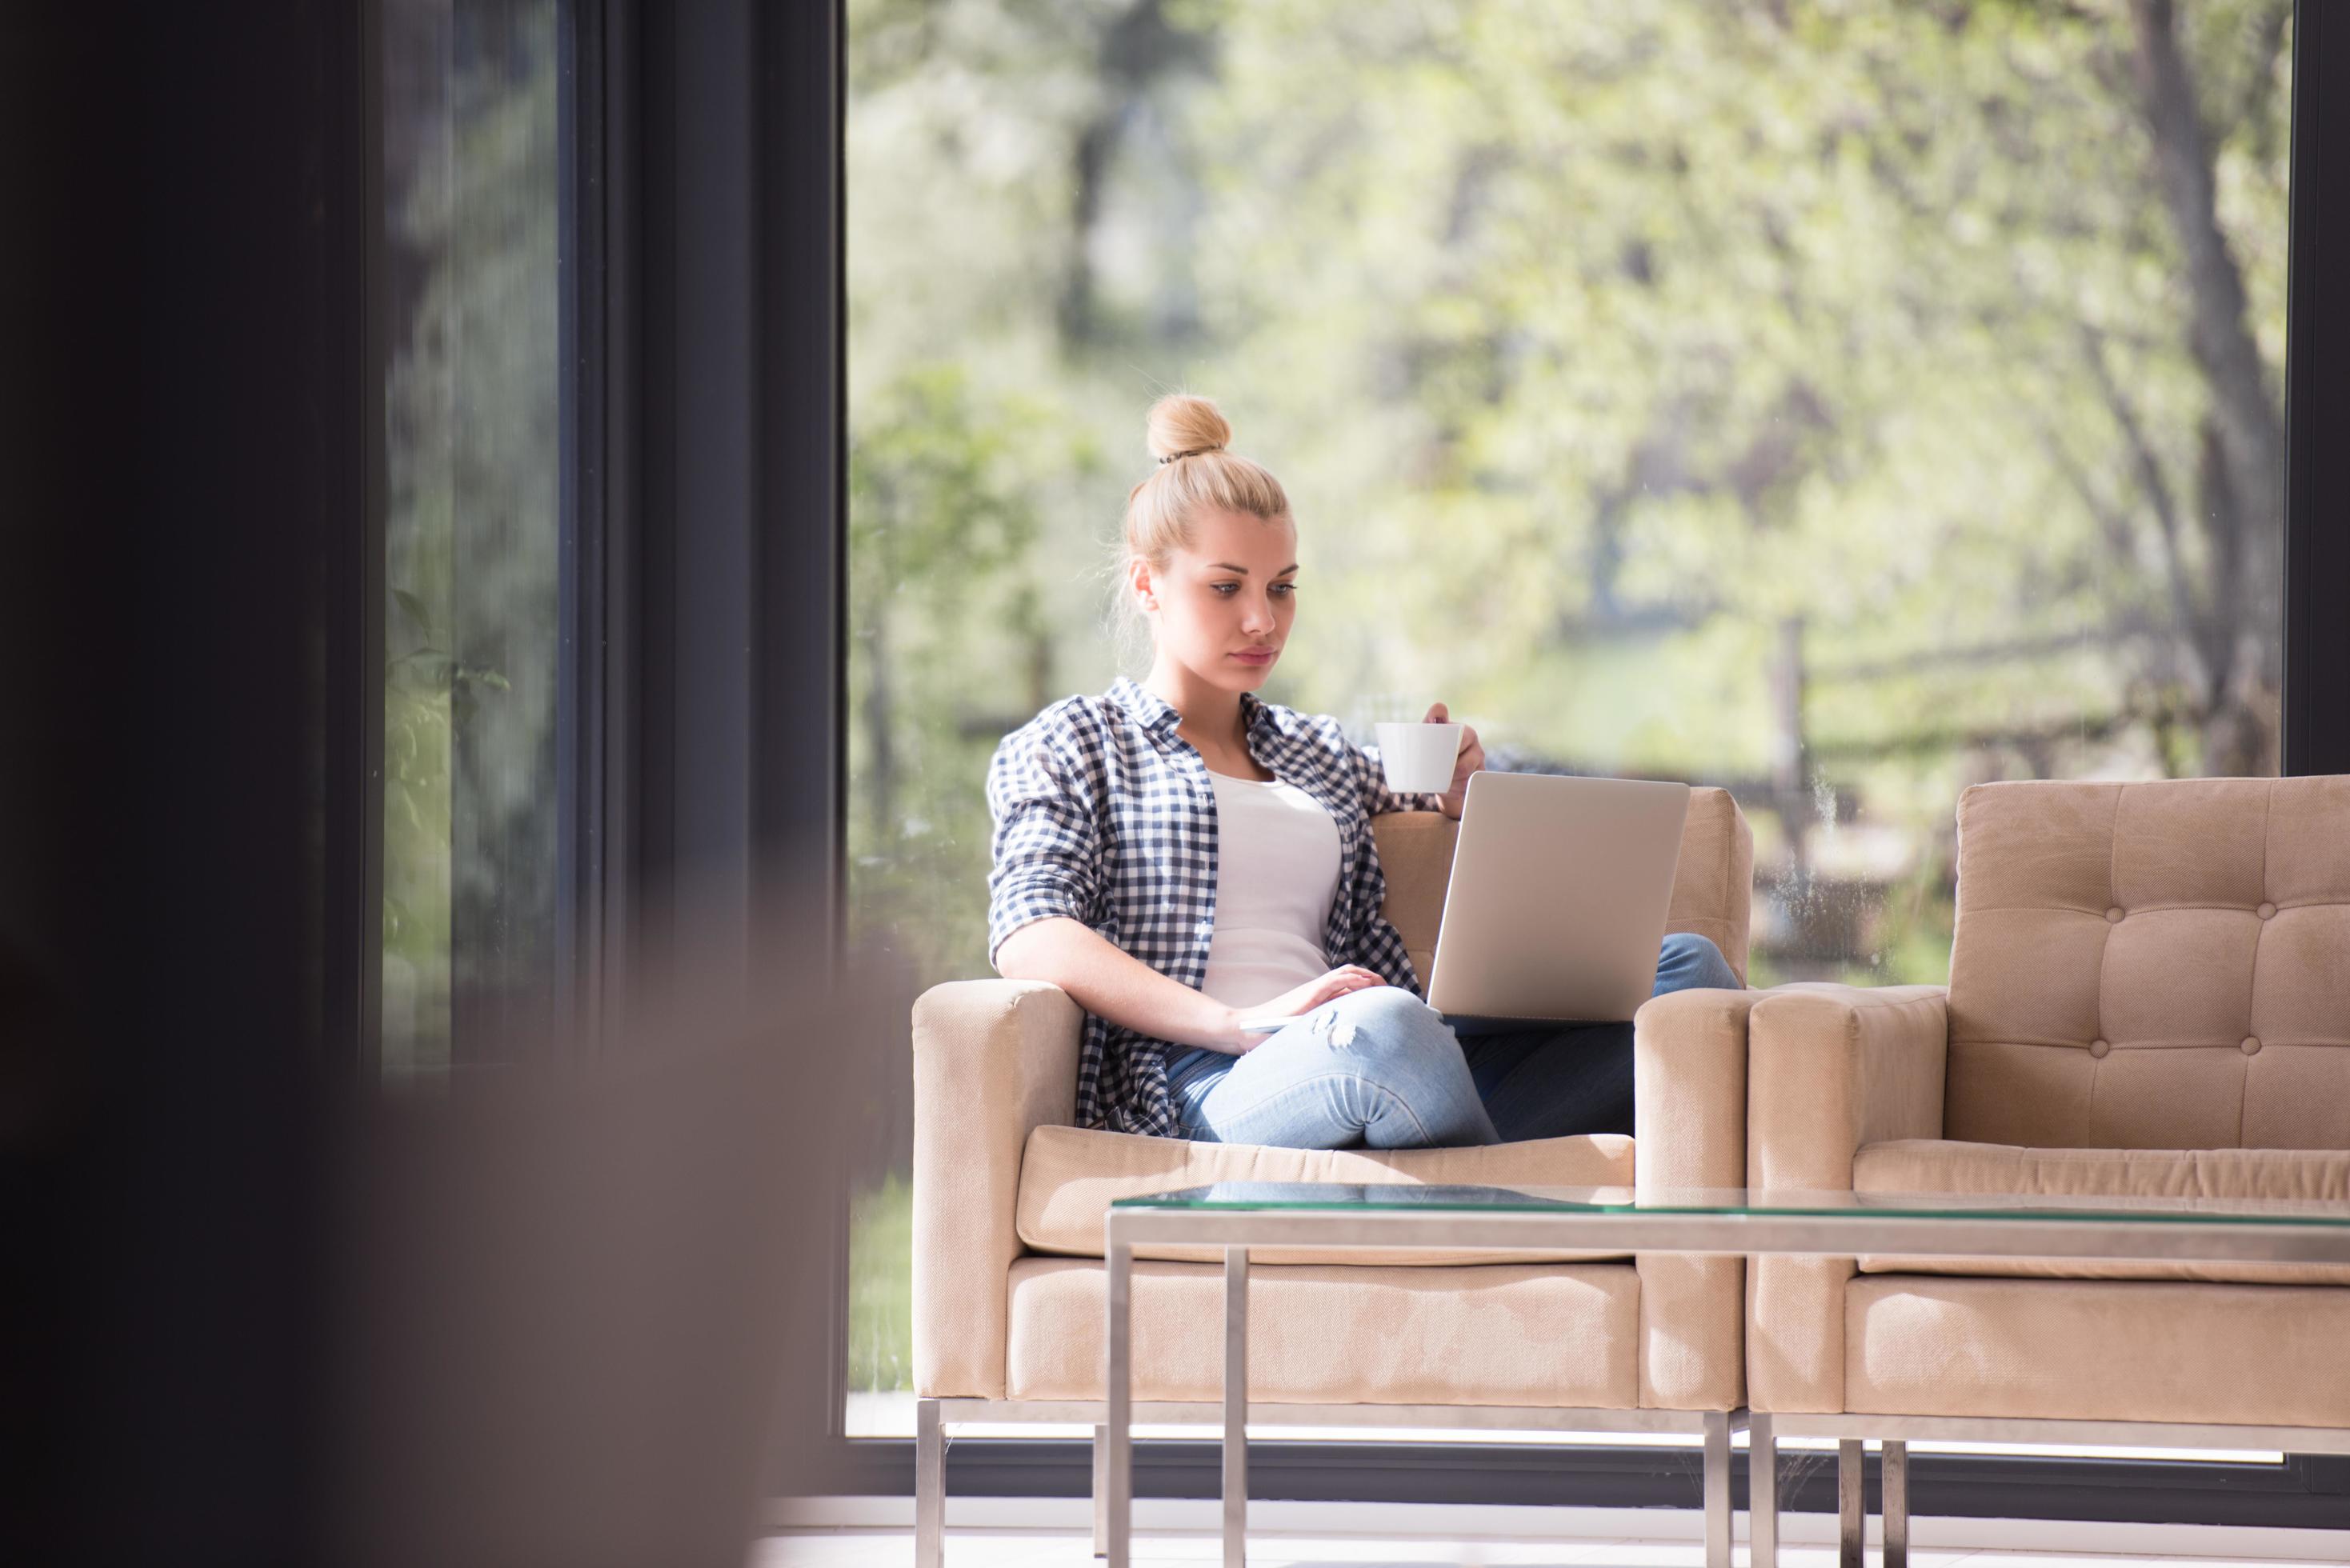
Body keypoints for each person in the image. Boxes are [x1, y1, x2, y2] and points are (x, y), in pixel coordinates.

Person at [985, 393, 1741, 1149]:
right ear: (1148, 584)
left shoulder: (1314, 751)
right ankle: (1494, 1185)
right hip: (1211, 1076)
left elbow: (1428, 781)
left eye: (1281, 587)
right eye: (1226, 587)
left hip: (1394, 1044)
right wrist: (1239, 1024)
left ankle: (1466, 1161)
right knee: (1386, 1031)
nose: (1263, 620)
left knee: (1687, 976)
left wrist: (1459, 781)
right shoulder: (1074, 742)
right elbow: (1031, 931)